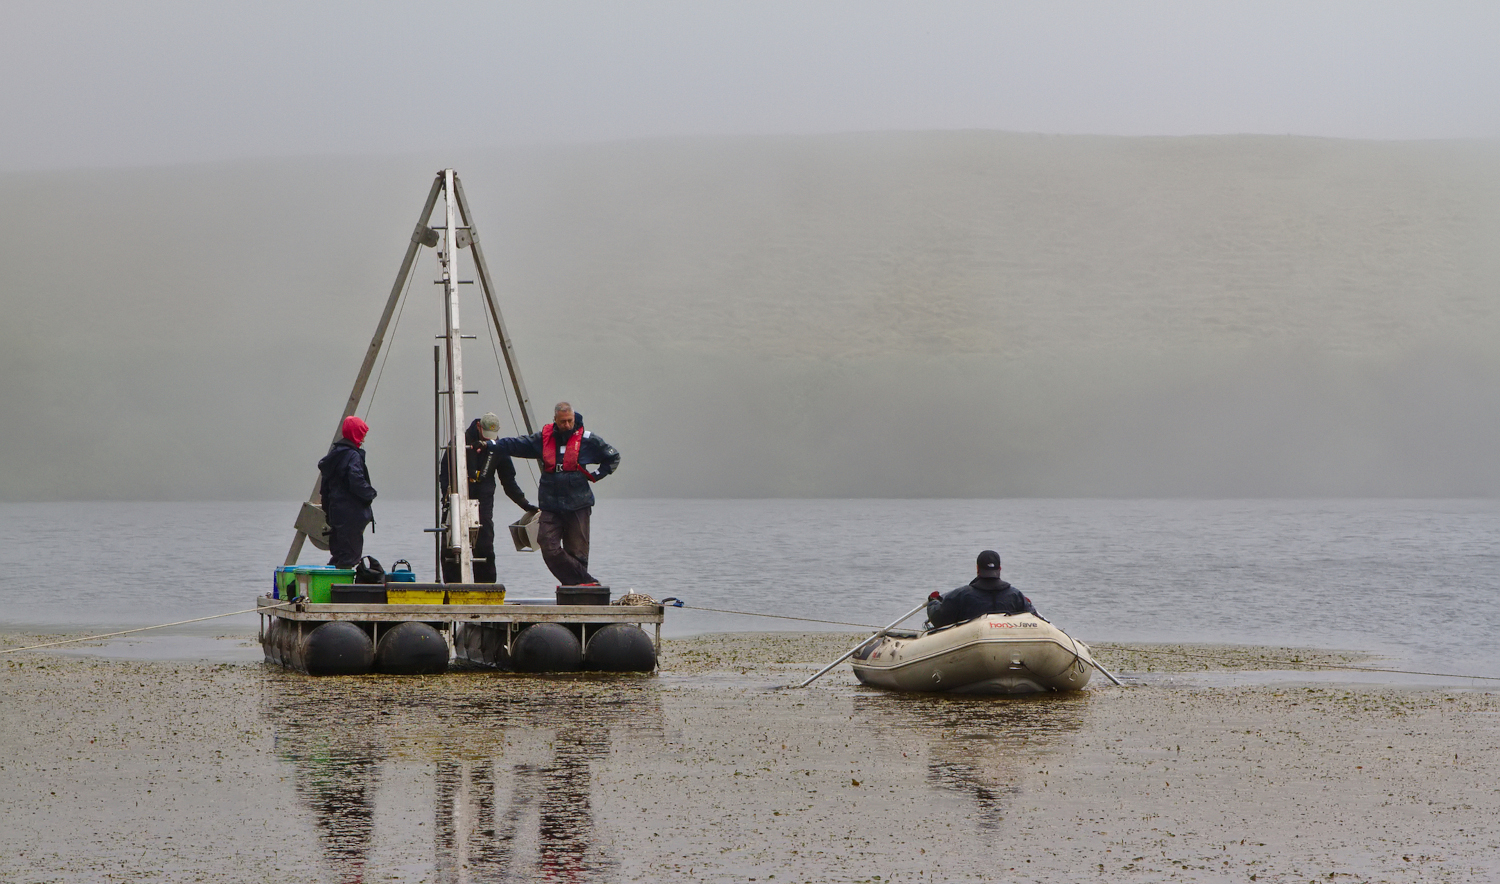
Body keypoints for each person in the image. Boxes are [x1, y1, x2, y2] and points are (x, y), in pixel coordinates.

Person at [490, 402, 620, 586]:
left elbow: (613, 457)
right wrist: (492, 445)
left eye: (569, 421)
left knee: (578, 553)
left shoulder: (588, 440)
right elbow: (517, 444)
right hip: (550, 504)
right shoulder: (543, 439)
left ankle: (576, 590)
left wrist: (596, 475)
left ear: (574, 419)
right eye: (562, 422)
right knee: (547, 545)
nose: (567, 425)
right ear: (555, 420)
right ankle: (586, 582)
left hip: (578, 504)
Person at [440, 412, 536, 583]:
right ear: (479, 427)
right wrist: (447, 498)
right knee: (450, 547)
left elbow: (509, 482)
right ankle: (452, 587)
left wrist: (525, 504)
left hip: (483, 501)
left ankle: (486, 588)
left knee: (484, 546)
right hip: (456, 498)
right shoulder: (458, 443)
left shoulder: (498, 447)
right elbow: (445, 473)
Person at [318, 415, 377, 569]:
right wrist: (370, 494)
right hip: (351, 516)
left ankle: (329, 586)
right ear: (355, 434)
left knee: (338, 555)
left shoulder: (333, 456)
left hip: (336, 515)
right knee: (349, 557)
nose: (363, 440)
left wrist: (328, 511)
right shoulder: (352, 456)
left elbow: (324, 489)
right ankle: (344, 590)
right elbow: (356, 480)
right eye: (362, 435)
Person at [926, 550, 1039, 628]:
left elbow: (938, 619)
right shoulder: (1015, 595)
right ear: (999, 569)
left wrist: (933, 602)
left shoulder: (962, 595)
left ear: (977, 568)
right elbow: (1034, 617)